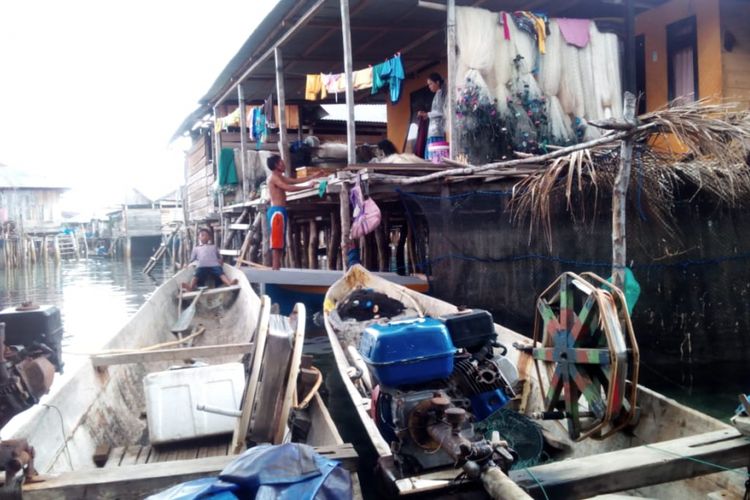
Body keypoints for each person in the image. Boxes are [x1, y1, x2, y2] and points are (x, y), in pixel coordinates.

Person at [266, 154, 323, 270]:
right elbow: (288, 188)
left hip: (280, 211)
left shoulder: (279, 176)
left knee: (280, 242)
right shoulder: (273, 178)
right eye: (282, 162)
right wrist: (307, 187)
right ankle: (275, 270)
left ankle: (277, 269)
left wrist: (313, 176)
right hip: (276, 212)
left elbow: (294, 181)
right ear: (277, 165)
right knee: (276, 243)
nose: (284, 164)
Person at [417, 73, 447, 162]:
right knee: (431, 154)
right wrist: (427, 115)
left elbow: (441, 112)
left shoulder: (440, 94)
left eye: (431, 84)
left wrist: (427, 114)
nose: (429, 86)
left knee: (435, 156)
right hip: (433, 130)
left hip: (437, 130)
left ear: (437, 82)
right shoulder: (437, 94)